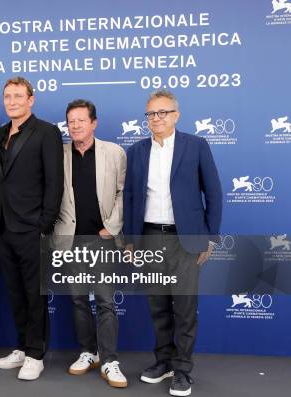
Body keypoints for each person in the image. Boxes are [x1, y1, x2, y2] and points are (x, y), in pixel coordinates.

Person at [123, 89, 222, 396]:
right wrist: (130, 241)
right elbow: (129, 198)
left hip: (186, 240)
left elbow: (214, 194)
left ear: (176, 115)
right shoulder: (137, 151)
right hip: (150, 237)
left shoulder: (197, 146)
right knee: (158, 306)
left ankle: (182, 369)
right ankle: (163, 362)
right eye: (151, 113)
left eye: (162, 112)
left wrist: (210, 238)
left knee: (185, 308)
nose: (156, 118)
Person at [0, 77, 63, 380]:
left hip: (32, 227)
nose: (12, 101)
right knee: (15, 292)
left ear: (31, 99)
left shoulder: (46, 132)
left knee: (34, 294)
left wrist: (43, 225)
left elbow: (54, 182)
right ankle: (21, 347)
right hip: (4, 229)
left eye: (18, 96)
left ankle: (36, 353)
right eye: (7, 96)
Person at [53, 99, 128, 387]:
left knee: (106, 302)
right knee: (78, 300)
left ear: (94, 123)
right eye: (71, 121)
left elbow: (123, 193)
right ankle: (88, 352)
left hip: (102, 239)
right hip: (69, 239)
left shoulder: (114, 153)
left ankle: (110, 360)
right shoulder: (59, 154)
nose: (75, 126)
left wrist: (111, 227)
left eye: (81, 120)